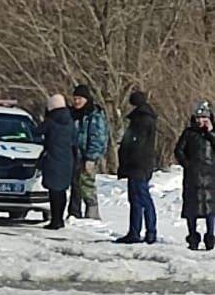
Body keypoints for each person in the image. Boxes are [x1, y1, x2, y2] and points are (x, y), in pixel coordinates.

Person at [116, 89, 158, 244]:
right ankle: (136, 231)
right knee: (136, 199)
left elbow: (135, 144)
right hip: (140, 164)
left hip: (138, 165)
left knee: (141, 197)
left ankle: (148, 232)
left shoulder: (142, 119)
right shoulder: (144, 118)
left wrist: (127, 160)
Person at [174, 100, 215, 251]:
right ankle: (192, 236)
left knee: (211, 209)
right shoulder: (189, 133)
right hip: (193, 176)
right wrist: (187, 165)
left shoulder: (212, 133)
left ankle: (210, 236)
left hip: (211, 176)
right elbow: (179, 150)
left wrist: (209, 133)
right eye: (197, 118)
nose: (200, 121)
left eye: (203, 117)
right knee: (192, 209)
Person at [68, 82, 110, 220]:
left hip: (88, 156)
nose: (77, 102)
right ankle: (74, 212)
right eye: (75, 98)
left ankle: (92, 213)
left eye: (80, 99)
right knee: (75, 184)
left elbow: (98, 137)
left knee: (87, 184)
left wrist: (91, 157)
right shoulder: (73, 114)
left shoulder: (94, 115)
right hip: (75, 154)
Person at [37, 94, 76, 230]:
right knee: (62, 190)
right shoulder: (70, 120)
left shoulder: (50, 121)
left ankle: (55, 220)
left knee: (54, 191)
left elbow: (37, 132)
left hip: (53, 158)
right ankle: (60, 218)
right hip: (67, 159)